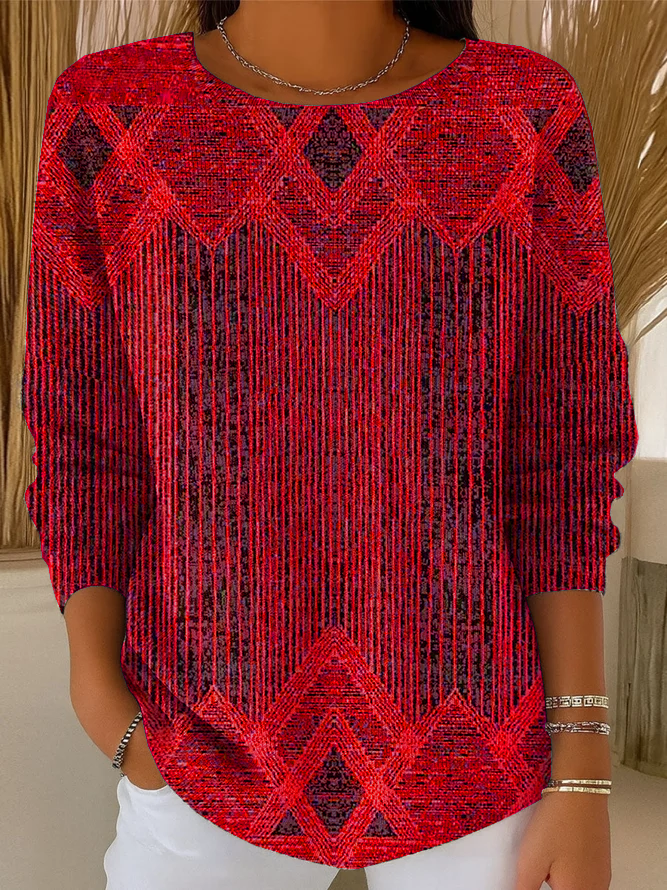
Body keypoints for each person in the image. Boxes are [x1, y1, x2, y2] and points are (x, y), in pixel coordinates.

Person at [22, 1, 637, 888]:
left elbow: (560, 456)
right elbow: (83, 435)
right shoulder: (112, 111)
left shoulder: (520, 110)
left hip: (477, 758)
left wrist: (581, 765)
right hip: (195, 745)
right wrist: (103, 702)